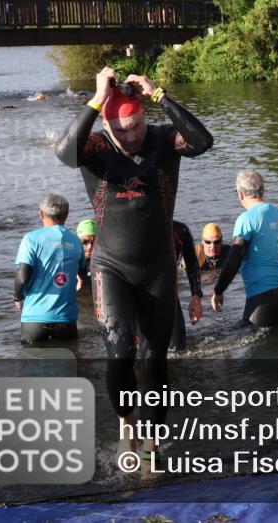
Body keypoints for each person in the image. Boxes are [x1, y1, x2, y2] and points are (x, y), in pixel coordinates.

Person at [54, 66, 212, 462]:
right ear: (107, 126)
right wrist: (96, 97)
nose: (131, 135)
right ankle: (127, 420)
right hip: (111, 267)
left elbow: (202, 140)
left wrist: (158, 94)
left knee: (155, 361)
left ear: (145, 117)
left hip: (157, 268)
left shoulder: (162, 140)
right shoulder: (95, 148)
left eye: (136, 125)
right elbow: (64, 152)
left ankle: (152, 446)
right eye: (121, 129)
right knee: (121, 351)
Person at [211, 170, 278, 329]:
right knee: (277, 340)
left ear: (239, 193)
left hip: (262, 295)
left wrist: (218, 291)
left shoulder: (245, 220)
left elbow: (234, 260)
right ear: (263, 191)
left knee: (250, 340)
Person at [13, 193, 86, 345]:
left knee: (33, 365)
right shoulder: (76, 241)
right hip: (66, 318)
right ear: (66, 215)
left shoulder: (31, 239)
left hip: (35, 319)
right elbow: (82, 272)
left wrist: (17, 296)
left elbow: (22, 277)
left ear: (41, 214)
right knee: (70, 365)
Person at [170, 220, 203, 351]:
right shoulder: (131, 225)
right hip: (136, 297)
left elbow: (192, 265)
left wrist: (196, 297)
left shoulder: (179, 230)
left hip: (168, 296)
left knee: (179, 350)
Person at [75, 219, 96, 289]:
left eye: (93, 242)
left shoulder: (106, 261)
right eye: (85, 242)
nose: (90, 246)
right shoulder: (70, 261)